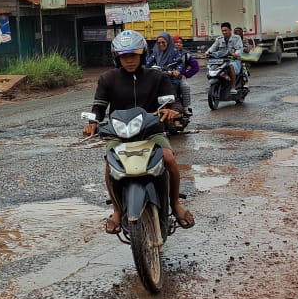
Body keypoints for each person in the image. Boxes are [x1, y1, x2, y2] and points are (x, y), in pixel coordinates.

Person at [83, 31, 194, 234]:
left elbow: (172, 101)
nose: (129, 60)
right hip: (119, 136)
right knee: (110, 167)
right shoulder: (108, 79)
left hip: (151, 132)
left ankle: (175, 204)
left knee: (168, 158)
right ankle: (117, 210)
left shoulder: (156, 77)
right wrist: (92, 122)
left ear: (142, 55)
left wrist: (173, 110)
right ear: (117, 58)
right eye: (124, 56)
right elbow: (98, 107)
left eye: (133, 55)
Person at [146, 31, 192, 114]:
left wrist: (177, 71)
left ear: (168, 42)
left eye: (163, 42)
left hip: (173, 77)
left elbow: (180, 63)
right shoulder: (155, 52)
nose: (161, 44)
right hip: (159, 76)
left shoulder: (174, 51)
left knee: (185, 86)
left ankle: (186, 107)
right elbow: (148, 63)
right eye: (159, 43)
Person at [205, 22, 244, 92]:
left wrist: (236, 54)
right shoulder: (219, 39)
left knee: (230, 65)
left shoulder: (237, 38)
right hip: (222, 60)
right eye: (223, 31)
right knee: (211, 66)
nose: (224, 32)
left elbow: (239, 49)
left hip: (234, 60)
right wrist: (207, 53)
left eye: (226, 30)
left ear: (230, 30)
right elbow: (213, 48)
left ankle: (233, 87)